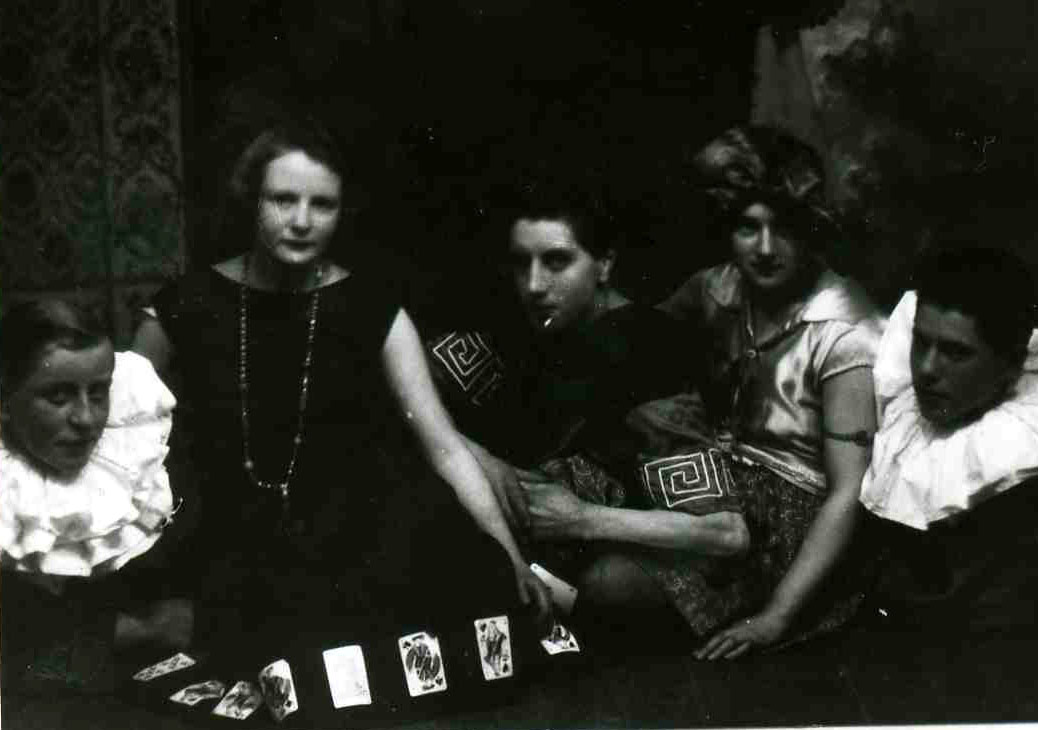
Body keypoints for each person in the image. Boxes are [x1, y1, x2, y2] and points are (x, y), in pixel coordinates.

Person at [131, 119, 550, 659]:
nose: (302, 221)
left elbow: (444, 447)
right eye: (283, 200)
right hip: (227, 527)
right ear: (251, 200)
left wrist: (512, 557)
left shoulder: (373, 306)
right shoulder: (183, 305)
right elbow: (120, 435)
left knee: (479, 594)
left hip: (346, 529)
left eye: (322, 205)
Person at [422, 172, 751, 642]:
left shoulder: (651, 352)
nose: (534, 284)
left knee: (602, 586)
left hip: (645, 541)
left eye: (557, 262)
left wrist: (581, 519)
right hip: (542, 524)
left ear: (605, 264)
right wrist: (482, 458)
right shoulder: (528, 323)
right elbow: (403, 391)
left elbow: (725, 533)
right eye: (521, 263)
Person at [661, 125, 884, 659]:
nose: (764, 249)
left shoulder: (845, 331)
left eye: (784, 229)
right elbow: (636, 340)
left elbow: (848, 491)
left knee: (608, 580)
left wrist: (775, 617)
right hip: (720, 488)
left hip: (793, 529)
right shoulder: (717, 287)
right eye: (747, 227)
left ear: (812, 231)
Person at [0, 299, 187, 689]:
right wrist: (140, 630)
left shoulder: (133, 469)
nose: (86, 419)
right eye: (58, 397)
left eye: (99, 393)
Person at [860, 246, 1038, 633]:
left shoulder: (1016, 456)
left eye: (956, 353)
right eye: (921, 342)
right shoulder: (903, 410)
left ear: (1010, 365)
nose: (926, 369)